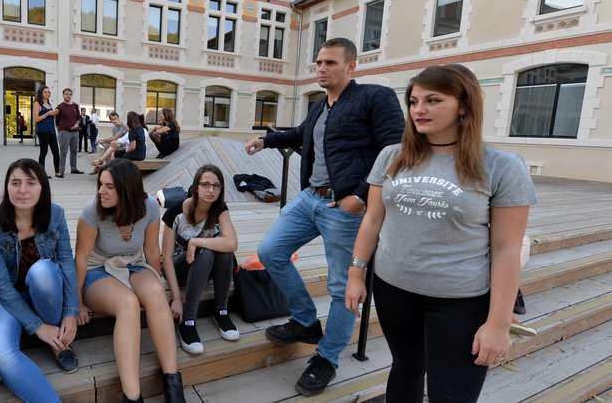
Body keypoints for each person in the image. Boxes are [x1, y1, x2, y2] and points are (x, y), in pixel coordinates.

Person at [345, 64, 537, 402]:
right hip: (393, 290)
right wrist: (356, 273)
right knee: (405, 367)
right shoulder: (392, 156)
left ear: (463, 105)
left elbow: (506, 248)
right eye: (413, 101)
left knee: (451, 395)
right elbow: (373, 220)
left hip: (460, 300)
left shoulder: (502, 166)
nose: (419, 109)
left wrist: (498, 323)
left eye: (433, 100)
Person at [244, 37, 405, 396]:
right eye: (318, 62)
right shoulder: (320, 105)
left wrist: (361, 195)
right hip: (309, 198)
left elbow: (396, 149)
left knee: (341, 286)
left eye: (330, 62)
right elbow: (302, 134)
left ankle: (327, 357)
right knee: (270, 252)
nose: (321, 68)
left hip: (344, 206)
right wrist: (268, 141)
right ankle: (304, 320)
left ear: (351, 66)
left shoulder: (374, 97)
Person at [75, 159, 185, 403]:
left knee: (156, 292)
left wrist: (158, 282)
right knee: (128, 303)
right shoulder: (92, 211)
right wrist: (78, 302)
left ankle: (173, 384)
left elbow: (152, 251)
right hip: (98, 269)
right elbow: (81, 259)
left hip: (132, 263)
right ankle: (132, 397)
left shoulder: (149, 207)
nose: (101, 191)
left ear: (127, 188)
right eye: (101, 184)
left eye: (109, 186)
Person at [0, 159, 79, 402]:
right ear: (7, 187)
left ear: (43, 186)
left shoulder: (56, 215)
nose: (22, 190)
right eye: (15, 183)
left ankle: (57, 342)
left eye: (31, 183)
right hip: (5, 298)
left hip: (45, 291)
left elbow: (66, 262)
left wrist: (70, 312)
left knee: (43, 271)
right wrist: (37, 327)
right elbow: (2, 286)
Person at [161, 165, 239, 354]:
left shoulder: (220, 210)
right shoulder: (176, 212)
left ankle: (221, 311)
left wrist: (195, 241)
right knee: (209, 250)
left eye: (216, 185)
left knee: (221, 250)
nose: (211, 190)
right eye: (205, 184)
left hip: (206, 269)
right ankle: (188, 320)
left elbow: (232, 244)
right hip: (179, 269)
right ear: (196, 186)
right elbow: (166, 257)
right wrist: (176, 298)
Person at [56, 88, 84, 177]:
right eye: (66, 94)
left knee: (74, 151)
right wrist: (60, 132)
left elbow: (79, 117)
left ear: (71, 95)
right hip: (64, 132)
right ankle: (61, 170)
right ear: (63, 95)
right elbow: (57, 121)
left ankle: (74, 168)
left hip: (75, 132)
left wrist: (77, 123)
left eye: (69, 94)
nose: (68, 96)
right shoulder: (59, 107)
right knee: (63, 152)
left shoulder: (75, 106)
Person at [34, 86, 60, 177]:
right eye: (45, 92)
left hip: (51, 130)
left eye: (48, 92)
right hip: (43, 131)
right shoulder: (37, 104)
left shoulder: (49, 103)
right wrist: (48, 113)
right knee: (43, 152)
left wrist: (54, 113)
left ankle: (57, 172)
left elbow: (49, 117)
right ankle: (42, 174)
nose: (47, 94)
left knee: (56, 152)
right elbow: (36, 119)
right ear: (41, 93)